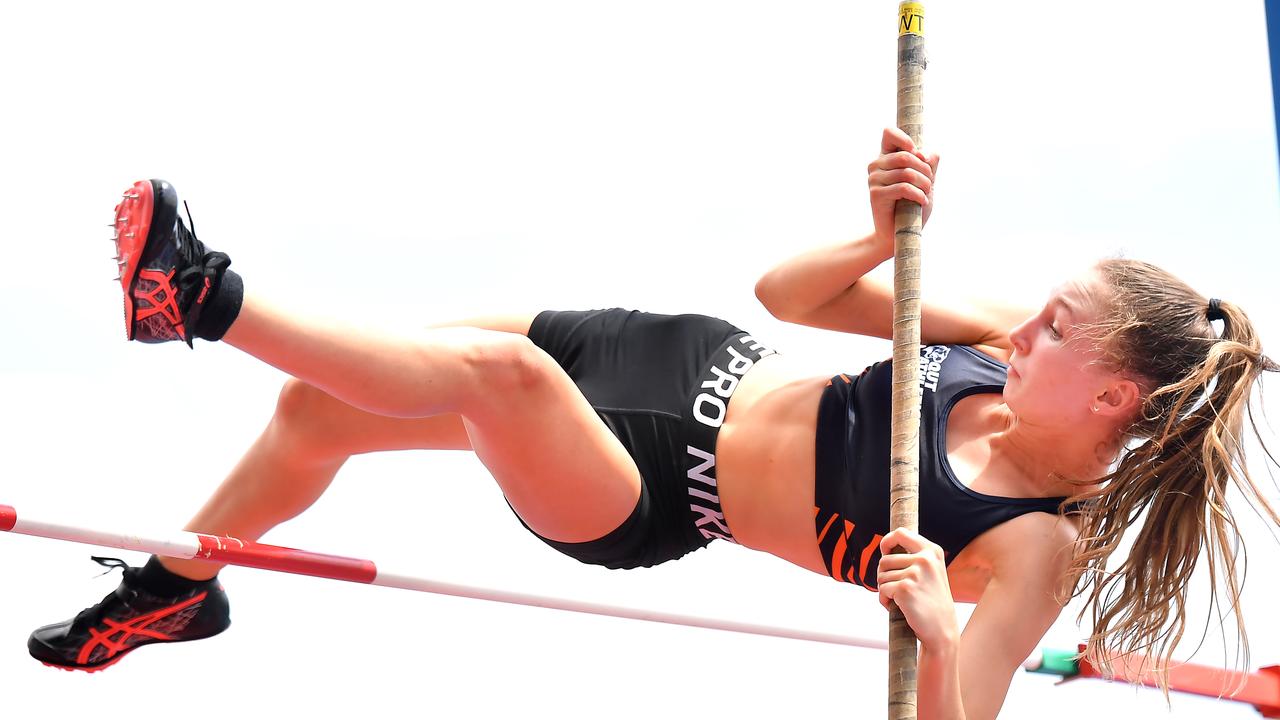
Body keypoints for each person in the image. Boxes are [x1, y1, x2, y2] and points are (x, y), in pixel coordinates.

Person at [28, 128, 1277, 720]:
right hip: (666, 349)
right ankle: (176, 586)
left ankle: (201, 295)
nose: (1025, 328)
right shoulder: (996, 343)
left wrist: (940, 631)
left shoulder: (1030, 542)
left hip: (642, 491)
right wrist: (876, 222)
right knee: (320, 412)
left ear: (1114, 398)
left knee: (486, 377)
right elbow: (789, 298)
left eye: (1057, 330)